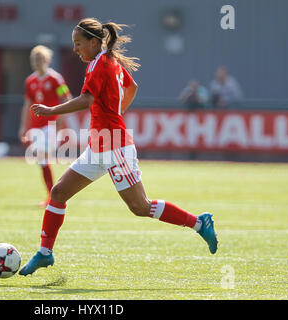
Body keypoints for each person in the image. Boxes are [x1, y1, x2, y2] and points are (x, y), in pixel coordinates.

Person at [19, 18, 218, 276]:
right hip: (99, 144)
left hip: (114, 144)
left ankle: (199, 223)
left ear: (93, 42)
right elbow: (132, 87)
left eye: (78, 44)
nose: (76, 49)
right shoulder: (108, 61)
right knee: (58, 193)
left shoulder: (100, 64)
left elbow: (87, 98)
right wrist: (117, 112)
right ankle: (45, 253)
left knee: (140, 207)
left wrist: (51, 111)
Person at [19, 45, 72, 207]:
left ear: (47, 60)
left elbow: (67, 97)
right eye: (34, 59)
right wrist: (23, 126)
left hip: (51, 124)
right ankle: (51, 195)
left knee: (43, 155)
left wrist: (61, 117)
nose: (37, 62)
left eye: (40, 59)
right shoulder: (30, 81)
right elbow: (27, 103)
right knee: (42, 160)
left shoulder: (56, 79)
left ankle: (53, 195)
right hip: (36, 126)